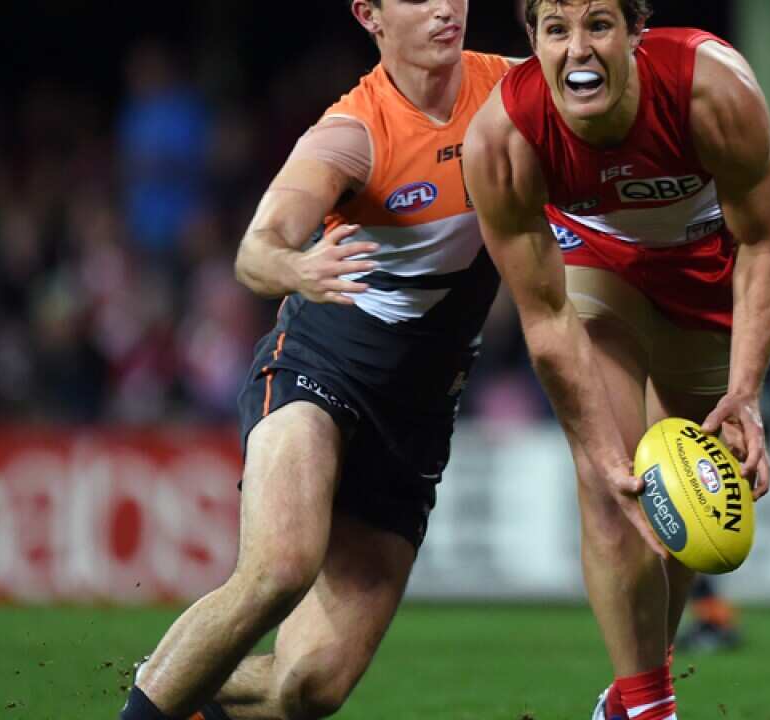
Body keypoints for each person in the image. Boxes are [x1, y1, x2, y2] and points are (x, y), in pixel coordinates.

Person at [119, 2, 511, 718]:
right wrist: (298, 268)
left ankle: (176, 683)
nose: (443, 6)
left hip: (416, 417)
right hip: (320, 370)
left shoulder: (514, 92)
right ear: (370, 15)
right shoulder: (352, 133)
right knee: (280, 567)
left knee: (310, 687)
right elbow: (256, 249)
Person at [462, 1, 770, 718]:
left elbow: (766, 240)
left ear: (636, 32)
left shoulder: (712, 90)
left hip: (707, 272)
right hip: (594, 267)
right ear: (533, 41)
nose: (578, 49)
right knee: (614, 479)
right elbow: (545, 316)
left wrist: (745, 391)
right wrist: (597, 448)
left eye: (598, 25)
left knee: (688, 495)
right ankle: (650, 709)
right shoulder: (502, 139)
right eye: (557, 29)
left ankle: (632, 694)